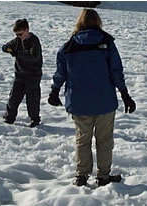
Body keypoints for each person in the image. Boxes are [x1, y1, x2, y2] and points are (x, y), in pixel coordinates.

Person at [48, 9, 136, 186]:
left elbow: (61, 72)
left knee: (83, 139)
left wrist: (54, 91)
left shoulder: (69, 46)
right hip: (104, 102)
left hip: (80, 102)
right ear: (98, 21)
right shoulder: (106, 42)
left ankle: (81, 175)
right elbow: (116, 71)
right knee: (104, 140)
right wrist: (125, 94)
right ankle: (103, 176)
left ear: (79, 22)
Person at [2, 19, 43, 128]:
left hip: (33, 76)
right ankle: (9, 118)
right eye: (17, 34)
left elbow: (34, 57)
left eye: (20, 34)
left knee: (32, 100)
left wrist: (17, 53)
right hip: (20, 75)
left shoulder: (34, 41)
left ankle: (35, 119)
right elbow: (5, 47)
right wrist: (9, 49)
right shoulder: (17, 40)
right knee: (13, 98)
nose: (19, 36)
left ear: (27, 30)